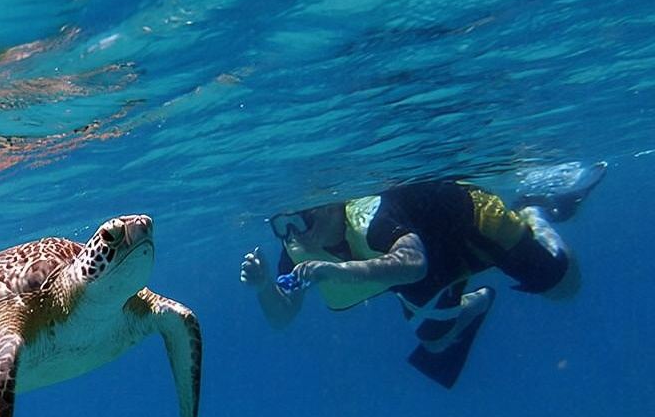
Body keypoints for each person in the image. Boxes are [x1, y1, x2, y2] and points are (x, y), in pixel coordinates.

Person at [239, 163, 606, 388]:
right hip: (429, 272)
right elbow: (282, 316)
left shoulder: (369, 217)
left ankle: (535, 211)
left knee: (563, 286)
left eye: (301, 220)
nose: (295, 234)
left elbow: (412, 260)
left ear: (332, 205)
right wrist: (262, 288)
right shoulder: (297, 246)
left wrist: (339, 270)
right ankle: (474, 304)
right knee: (436, 345)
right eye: (282, 226)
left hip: (467, 223)